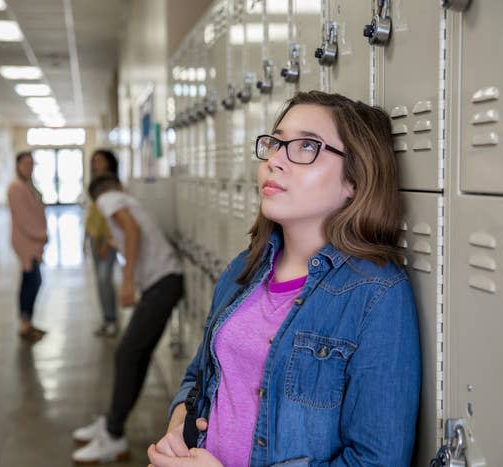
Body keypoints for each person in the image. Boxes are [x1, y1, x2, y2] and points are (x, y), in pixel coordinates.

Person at [147, 91, 421, 467]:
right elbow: (200, 374)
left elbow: (377, 461)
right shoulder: (244, 269)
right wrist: (180, 422)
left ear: (355, 180)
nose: (275, 160)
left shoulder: (377, 294)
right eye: (276, 142)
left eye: (306, 146)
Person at [72, 174, 184, 464]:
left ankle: (113, 433)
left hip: (161, 284)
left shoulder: (109, 199)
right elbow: (128, 230)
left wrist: (126, 279)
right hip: (163, 283)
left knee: (127, 354)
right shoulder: (123, 198)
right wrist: (112, 241)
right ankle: (113, 423)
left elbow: (131, 230)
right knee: (135, 354)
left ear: (97, 198)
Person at [7, 151, 48, 343]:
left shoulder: (28, 186)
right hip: (26, 242)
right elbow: (23, 219)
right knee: (32, 281)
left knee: (32, 281)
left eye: (32, 163)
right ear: (17, 165)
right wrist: (41, 235)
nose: (29, 167)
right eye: (25, 163)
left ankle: (28, 322)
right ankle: (24, 323)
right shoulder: (15, 187)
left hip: (34, 241)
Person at [84, 149, 119, 337]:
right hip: (94, 238)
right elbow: (93, 214)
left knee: (105, 279)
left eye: (99, 160)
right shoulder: (95, 184)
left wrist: (108, 241)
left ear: (108, 162)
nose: (96, 164)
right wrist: (85, 238)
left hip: (108, 240)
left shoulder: (112, 184)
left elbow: (114, 217)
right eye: (93, 160)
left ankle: (112, 319)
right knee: (99, 281)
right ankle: (106, 319)